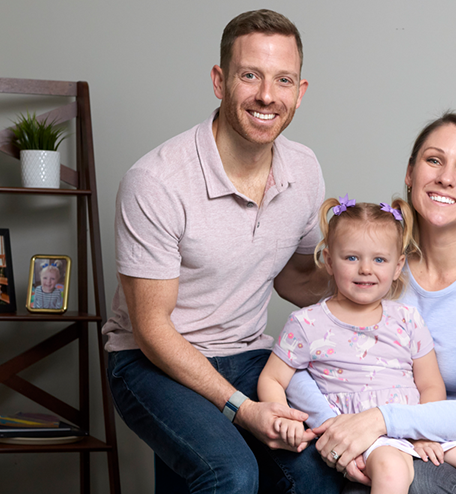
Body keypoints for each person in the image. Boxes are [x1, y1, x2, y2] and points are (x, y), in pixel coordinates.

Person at [103, 9, 343, 494]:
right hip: (151, 361)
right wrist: (241, 407)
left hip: (249, 352)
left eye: (283, 80)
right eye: (249, 75)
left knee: (320, 470)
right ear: (220, 80)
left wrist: (364, 277)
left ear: (301, 91)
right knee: (230, 473)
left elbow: (293, 279)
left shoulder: (305, 167)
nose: (266, 96)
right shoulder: (155, 182)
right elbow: (151, 329)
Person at [286, 112, 456, 494]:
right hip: (377, 442)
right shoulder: (370, 268)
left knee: (387, 478)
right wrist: (336, 429)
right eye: (434, 160)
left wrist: (379, 420)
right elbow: (302, 362)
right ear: (410, 174)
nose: (445, 178)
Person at [259, 196, 456, 494]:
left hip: (413, 426)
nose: (366, 269)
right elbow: (272, 377)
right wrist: (283, 417)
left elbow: (431, 385)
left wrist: (425, 432)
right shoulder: (306, 323)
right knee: (392, 469)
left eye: (379, 260)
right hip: (367, 436)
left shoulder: (407, 319)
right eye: (351, 258)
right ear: (329, 261)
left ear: (398, 267)